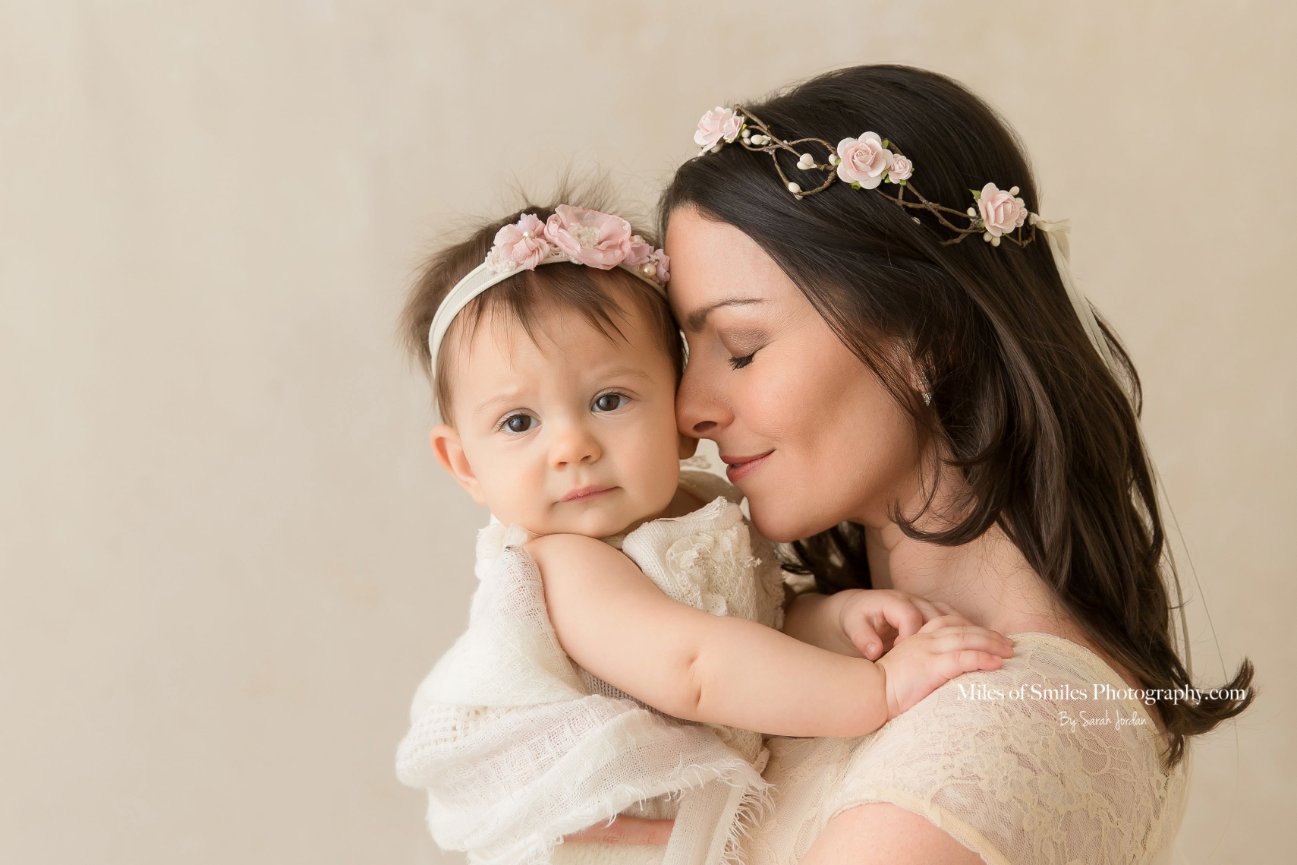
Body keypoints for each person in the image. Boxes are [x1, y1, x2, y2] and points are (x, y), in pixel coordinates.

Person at [593, 64, 1254, 864]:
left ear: (926, 338)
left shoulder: (987, 734)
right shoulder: (811, 655)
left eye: (739, 347)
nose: (687, 408)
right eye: (684, 353)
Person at [392, 198, 1016, 865]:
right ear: (463, 463)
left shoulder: (696, 509)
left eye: (608, 401)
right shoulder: (562, 566)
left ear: (677, 408)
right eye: (519, 422)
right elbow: (694, 667)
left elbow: (744, 624)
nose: (571, 446)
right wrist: (879, 688)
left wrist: (835, 622)